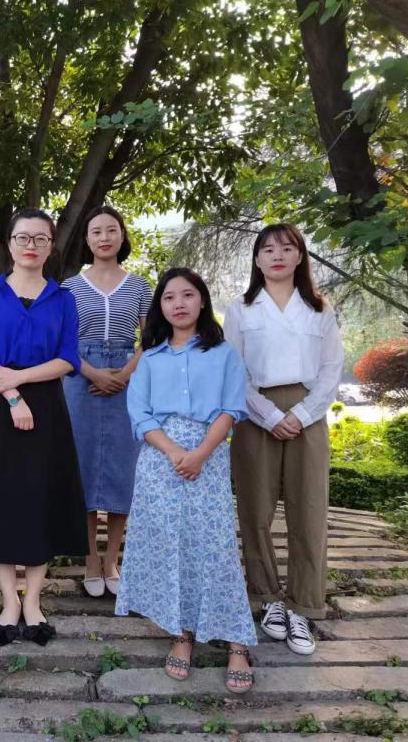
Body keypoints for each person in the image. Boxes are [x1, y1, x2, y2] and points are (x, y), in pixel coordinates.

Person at [115, 267, 256, 694]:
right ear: (160, 306)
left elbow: (231, 409)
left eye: (188, 295)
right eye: (169, 297)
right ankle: (182, 633)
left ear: (202, 301)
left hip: (208, 455)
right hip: (160, 459)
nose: (178, 303)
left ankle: (237, 641)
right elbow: (139, 413)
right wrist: (175, 452)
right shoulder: (151, 357)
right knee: (169, 544)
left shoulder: (224, 354)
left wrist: (199, 453)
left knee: (214, 545)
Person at [0, 208, 88, 648]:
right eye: (23, 238)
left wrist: (22, 379)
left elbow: (67, 358)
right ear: (10, 243)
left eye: (40, 238)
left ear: (51, 245)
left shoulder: (63, 298)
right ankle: (8, 600)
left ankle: (33, 600)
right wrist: (12, 396)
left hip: (47, 405)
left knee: (39, 500)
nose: (31, 246)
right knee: (3, 500)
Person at [224, 223, 343, 657]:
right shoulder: (241, 309)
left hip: (308, 413)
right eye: (268, 249)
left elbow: (332, 369)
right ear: (257, 259)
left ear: (299, 256)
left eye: (287, 248)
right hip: (256, 414)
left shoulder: (319, 308)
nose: (277, 255)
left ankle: (303, 605)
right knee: (254, 510)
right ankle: (267, 597)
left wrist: (301, 414)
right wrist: (271, 416)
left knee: (309, 511)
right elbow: (233, 371)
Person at [62, 206, 151, 598]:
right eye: (96, 231)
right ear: (87, 239)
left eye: (111, 230)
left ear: (122, 235)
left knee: (122, 469)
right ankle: (89, 559)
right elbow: (61, 340)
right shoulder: (69, 286)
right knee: (81, 468)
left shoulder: (140, 286)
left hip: (127, 377)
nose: (104, 237)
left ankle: (112, 558)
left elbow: (151, 339)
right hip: (79, 377)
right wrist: (93, 373)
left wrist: (124, 374)